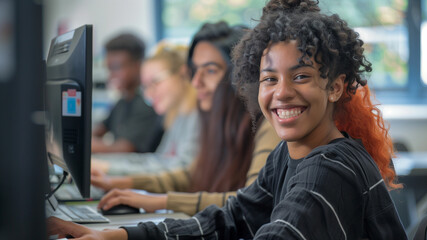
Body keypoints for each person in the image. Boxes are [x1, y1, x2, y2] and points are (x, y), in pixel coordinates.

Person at [48, 0, 408, 238]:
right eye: (269, 79)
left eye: (301, 76)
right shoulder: (289, 154)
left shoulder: (328, 169)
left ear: (335, 87)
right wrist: (123, 234)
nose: (281, 92)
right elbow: (232, 218)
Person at [90, 21, 280, 215]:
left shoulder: (267, 125)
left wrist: (160, 201)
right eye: (195, 70)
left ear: (241, 76)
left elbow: (249, 202)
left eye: (211, 70)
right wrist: (120, 183)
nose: (196, 82)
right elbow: (192, 174)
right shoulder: (216, 120)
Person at [91, 42, 200, 175]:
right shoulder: (175, 116)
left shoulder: (197, 117)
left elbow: (178, 172)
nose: (148, 94)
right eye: (145, 86)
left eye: (155, 82)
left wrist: (107, 167)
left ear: (183, 74)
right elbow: (160, 161)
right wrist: (103, 164)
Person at [92, 33, 164, 153]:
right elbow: (99, 130)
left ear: (138, 66)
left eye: (116, 67)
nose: (111, 75)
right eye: (109, 68)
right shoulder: (122, 101)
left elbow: (125, 148)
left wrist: (84, 145)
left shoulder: (148, 102)